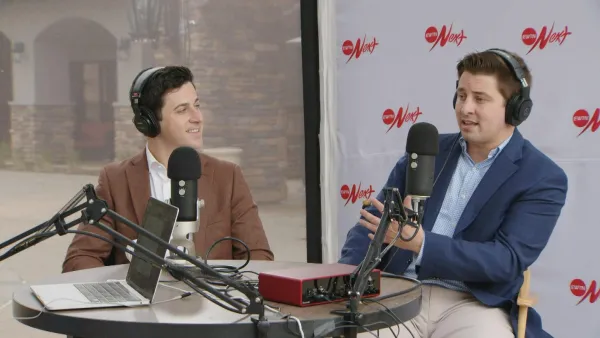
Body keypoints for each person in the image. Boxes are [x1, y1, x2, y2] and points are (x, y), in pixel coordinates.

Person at [339, 49, 567, 338]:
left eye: (479, 99)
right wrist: (347, 278)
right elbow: (371, 225)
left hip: (474, 305)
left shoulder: (542, 177)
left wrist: (422, 244)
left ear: (515, 108)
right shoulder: (426, 151)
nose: (465, 108)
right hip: (399, 293)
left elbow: (505, 260)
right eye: (461, 95)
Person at [63, 66, 274, 272]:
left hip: (213, 304)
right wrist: (121, 292)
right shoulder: (115, 180)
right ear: (149, 122)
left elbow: (259, 258)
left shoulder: (228, 177)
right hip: (141, 306)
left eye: (197, 105)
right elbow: (79, 260)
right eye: (182, 110)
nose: (197, 117)